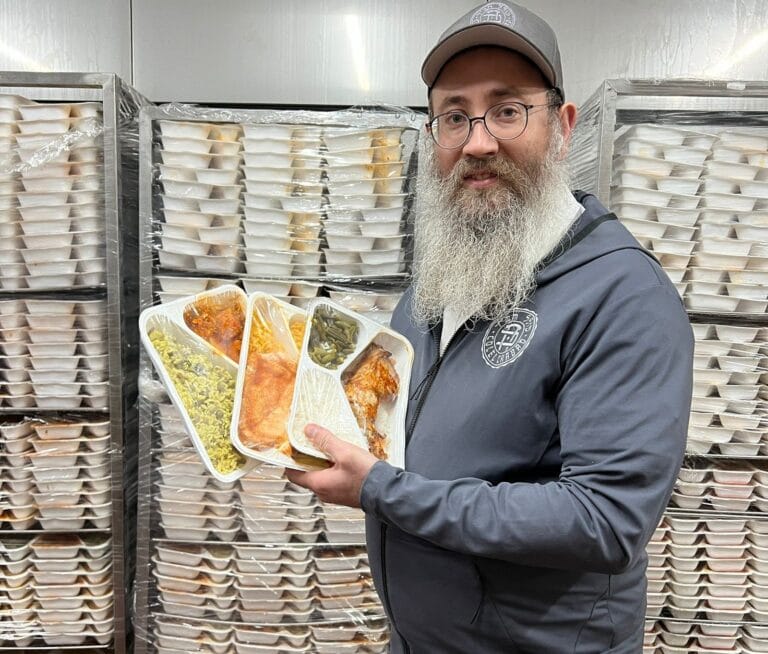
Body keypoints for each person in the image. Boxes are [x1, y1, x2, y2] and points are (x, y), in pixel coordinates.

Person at [288, 2, 693, 652]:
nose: (478, 141)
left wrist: (384, 490)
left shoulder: (621, 294)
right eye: (455, 115)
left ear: (562, 127)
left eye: (507, 110)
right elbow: (408, 429)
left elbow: (605, 519)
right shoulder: (444, 276)